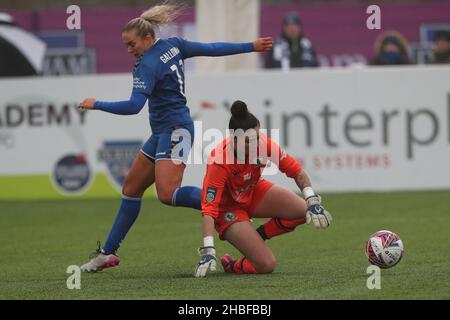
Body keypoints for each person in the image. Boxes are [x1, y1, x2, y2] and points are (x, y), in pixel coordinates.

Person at [78, 3, 273, 272]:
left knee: (167, 194)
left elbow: (134, 106)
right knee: (131, 190)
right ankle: (107, 253)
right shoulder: (175, 45)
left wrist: (96, 103)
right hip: (164, 131)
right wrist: (250, 46)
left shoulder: (146, 65)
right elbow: (212, 49)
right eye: (125, 45)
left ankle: (222, 202)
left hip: (176, 131)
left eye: (131, 44)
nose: (129, 50)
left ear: (148, 38)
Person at [194, 101, 332, 277]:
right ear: (233, 139)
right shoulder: (219, 161)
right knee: (266, 265)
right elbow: (209, 209)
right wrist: (208, 250)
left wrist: (312, 200)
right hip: (228, 208)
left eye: (257, 138)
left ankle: (259, 235)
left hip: (252, 190)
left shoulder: (264, 144)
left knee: (304, 210)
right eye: (248, 142)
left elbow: (297, 172)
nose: (254, 145)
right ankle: (233, 265)